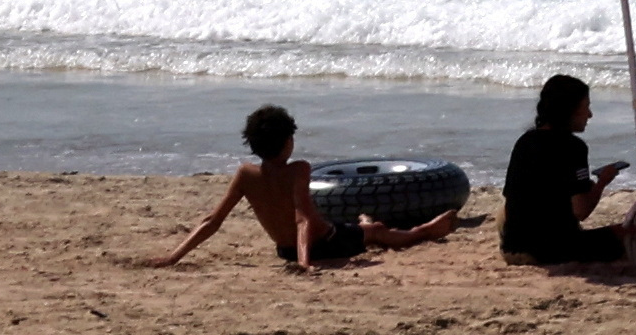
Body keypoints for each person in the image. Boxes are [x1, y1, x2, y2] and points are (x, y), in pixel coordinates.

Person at [152, 104, 454, 272]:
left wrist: (173, 257)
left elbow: (212, 221)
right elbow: (302, 219)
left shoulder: (245, 173)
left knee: (361, 227)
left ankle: (363, 223)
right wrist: (304, 263)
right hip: (325, 242)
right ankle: (424, 231)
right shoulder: (299, 169)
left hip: (284, 250)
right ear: (287, 142)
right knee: (376, 233)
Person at [500, 72, 630, 264]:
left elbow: (512, 196)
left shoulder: (524, 141)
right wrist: (602, 182)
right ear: (569, 110)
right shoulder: (573, 148)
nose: (590, 115)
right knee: (627, 233)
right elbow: (581, 211)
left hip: (512, 245)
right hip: (552, 250)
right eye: (586, 107)